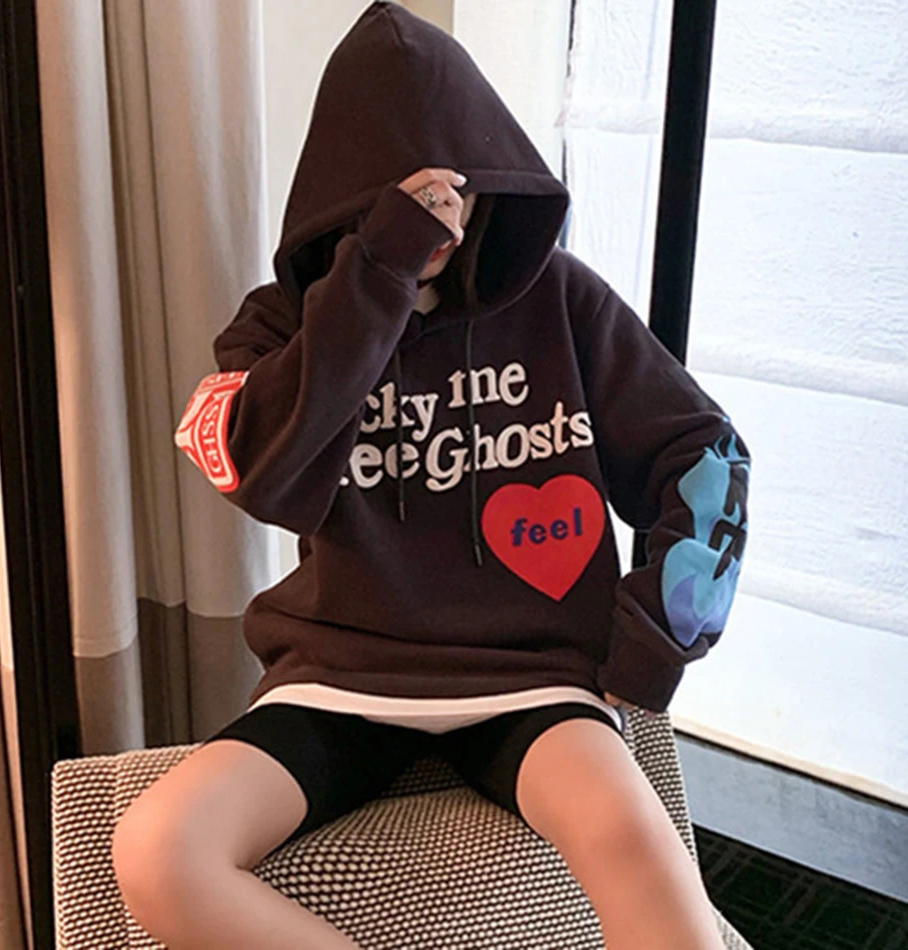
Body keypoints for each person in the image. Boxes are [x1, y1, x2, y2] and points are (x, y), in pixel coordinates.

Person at [114, 3, 751, 949]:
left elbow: (707, 455)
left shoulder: (561, 299)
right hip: (340, 675)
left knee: (648, 861)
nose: (441, 216)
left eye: (453, 186)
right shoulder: (281, 325)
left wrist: (654, 641)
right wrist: (378, 272)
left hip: (534, 678)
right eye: (406, 197)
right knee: (158, 851)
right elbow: (257, 473)